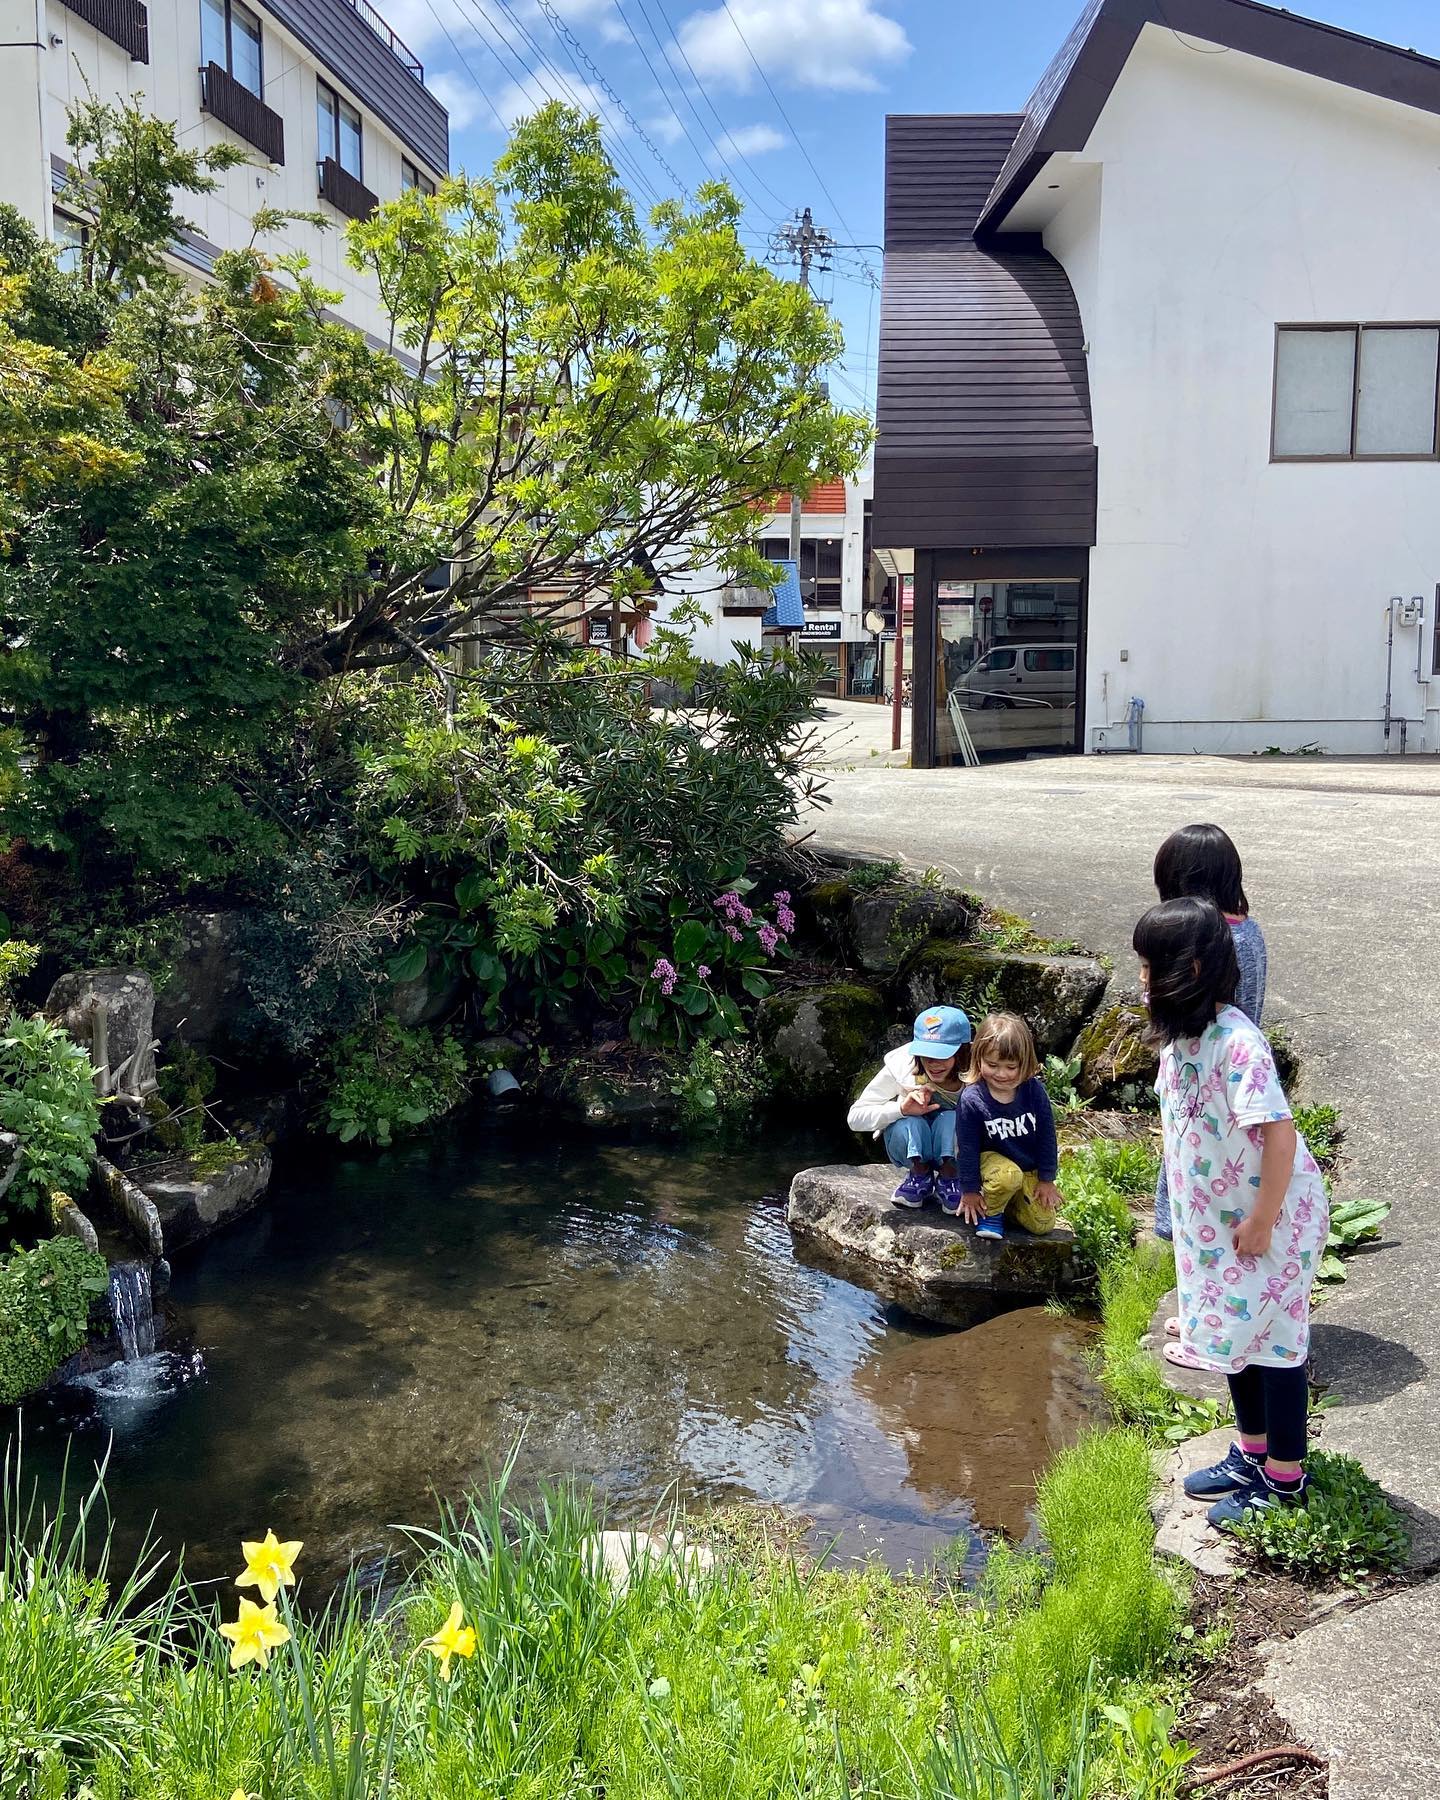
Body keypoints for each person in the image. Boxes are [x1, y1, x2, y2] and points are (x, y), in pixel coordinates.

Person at [1134, 896, 1327, 1527]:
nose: (1139, 979)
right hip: (1221, 1225)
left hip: (1270, 1223)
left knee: (1276, 1345)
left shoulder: (1237, 1042)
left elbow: (1279, 1136)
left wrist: (1264, 1221)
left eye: (1147, 966)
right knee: (1236, 1339)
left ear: (1184, 972)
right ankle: (1252, 1454)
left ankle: (1286, 1481)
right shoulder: (1181, 1042)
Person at [1151, 824, 1268, 1242]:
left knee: (1195, 1159)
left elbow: (1181, 1004)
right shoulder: (1248, 930)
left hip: (1205, 1067)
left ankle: (1184, 1239)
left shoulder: (1209, 940)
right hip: (1237, 1067)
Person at [848, 1006, 972, 1209]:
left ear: (962, 1052)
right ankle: (919, 1173)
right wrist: (901, 1110)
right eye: (926, 1054)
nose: (933, 1063)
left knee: (952, 1119)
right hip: (914, 1142)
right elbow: (855, 1118)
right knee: (908, 1122)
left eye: (943, 1055)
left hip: (957, 1147)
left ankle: (950, 1176)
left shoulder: (981, 1074)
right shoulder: (902, 1067)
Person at [952, 1012, 1062, 1239]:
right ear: (978, 1059)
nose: (1001, 1074)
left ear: (1026, 1063)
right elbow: (967, 1148)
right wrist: (970, 1190)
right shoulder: (972, 1099)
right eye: (992, 1065)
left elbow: (1047, 1137)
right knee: (1007, 1176)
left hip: (1026, 1168)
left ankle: (1009, 1205)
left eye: (1011, 1067)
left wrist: (1046, 1179)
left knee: (1043, 1224)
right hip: (991, 1166)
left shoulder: (1034, 1091)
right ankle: (991, 1213)